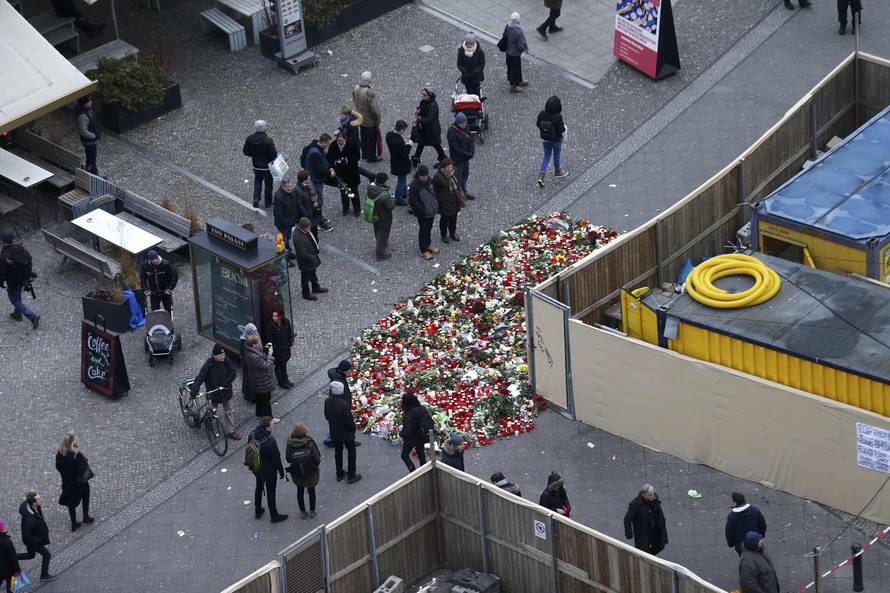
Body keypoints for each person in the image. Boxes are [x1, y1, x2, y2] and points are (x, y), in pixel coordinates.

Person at [191, 344, 240, 440]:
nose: (223, 356)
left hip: (225, 392)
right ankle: (208, 425)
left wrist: (225, 384)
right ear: (214, 355)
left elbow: (233, 372)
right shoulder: (209, 364)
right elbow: (200, 377)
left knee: (229, 411)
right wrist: (195, 388)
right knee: (211, 411)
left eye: (223, 354)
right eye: (221, 355)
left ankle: (231, 431)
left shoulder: (226, 361)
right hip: (213, 394)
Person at [249, 416, 288, 523]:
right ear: (267, 427)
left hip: (257, 468)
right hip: (269, 471)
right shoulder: (270, 441)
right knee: (271, 492)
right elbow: (276, 458)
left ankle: (258, 510)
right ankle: (274, 515)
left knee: (259, 487)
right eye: (272, 424)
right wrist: (281, 471)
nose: (274, 425)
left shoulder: (252, 434)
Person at [55, 433, 95, 532]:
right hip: (79, 482)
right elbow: (82, 465)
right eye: (76, 440)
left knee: (70, 502)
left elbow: (58, 467)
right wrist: (79, 454)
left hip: (67, 482)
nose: (77, 441)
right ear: (72, 443)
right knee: (86, 495)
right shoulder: (74, 454)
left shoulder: (60, 453)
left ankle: (74, 523)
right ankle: (85, 516)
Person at [324, 381, 362, 483]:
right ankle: (351, 475)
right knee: (351, 453)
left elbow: (327, 416)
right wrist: (353, 428)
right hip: (346, 434)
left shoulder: (327, 401)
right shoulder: (344, 405)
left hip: (335, 432)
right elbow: (349, 421)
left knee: (338, 452)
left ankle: (339, 473)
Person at [16, 491, 58, 582]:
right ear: (34, 503)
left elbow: (28, 501)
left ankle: (13, 557)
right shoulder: (30, 520)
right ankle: (44, 575)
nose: (41, 499)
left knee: (31, 555)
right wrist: (38, 540)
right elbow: (27, 535)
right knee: (47, 555)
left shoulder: (32, 506)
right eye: (39, 499)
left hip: (33, 540)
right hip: (34, 541)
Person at [0, 232, 39, 329]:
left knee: (14, 299)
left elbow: (2, 269)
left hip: (13, 280)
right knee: (17, 295)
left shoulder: (5, 253)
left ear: (2, 241)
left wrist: (1, 281)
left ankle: (32, 317)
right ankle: (17, 314)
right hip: (23, 278)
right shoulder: (19, 248)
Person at [327, 131, 370, 217]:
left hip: (352, 173)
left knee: (354, 191)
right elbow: (329, 158)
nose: (340, 142)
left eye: (341, 140)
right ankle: (345, 208)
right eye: (338, 140)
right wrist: (335, 163)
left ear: (345, 139)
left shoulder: (352, 144)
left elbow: (356, 157)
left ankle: (357, 209)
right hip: (341, 174)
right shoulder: (333, 145)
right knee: (344, 192)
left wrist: (347, 161)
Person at [285, 423, 321, 519]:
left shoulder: (290, 444)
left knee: (299, 490)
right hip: (310, 471)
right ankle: (312, 511)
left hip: (297, 472)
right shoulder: (309, 443)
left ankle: (303, 511)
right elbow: (317, 459)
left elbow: (288, 459)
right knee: (311, 490)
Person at [302, 134, 336, 233]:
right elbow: (320, 168)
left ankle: (320, 218)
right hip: (315, 180)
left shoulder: (317, 149)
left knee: (318, 201)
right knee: (318, 202)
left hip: (316, 179)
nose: (328, 146)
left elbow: (324, 162)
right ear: (323, 142)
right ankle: (319, 222)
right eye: (327, 144)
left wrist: (329, 168)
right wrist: (330, 172)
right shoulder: (315, 153)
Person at [623, 483, 668, 555]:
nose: (653, 496)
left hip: (655, 530)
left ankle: (649, 557)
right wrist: (629, 533)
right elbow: (627, 519)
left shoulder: (654, 497)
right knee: (643, 552)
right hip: (643, 532)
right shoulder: (635, 504)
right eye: (650, 495)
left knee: (660, 545)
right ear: (643, 495)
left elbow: (658, 510)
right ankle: (647, 560)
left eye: (653, 494)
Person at [242, 120, 278, 208]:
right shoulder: (268, 141)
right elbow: (274, 155)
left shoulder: (250, 138)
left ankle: (256, 199)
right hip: (267, 167)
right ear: (264, 128)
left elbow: (245, 151)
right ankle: (268, 202)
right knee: (268, 184)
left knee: (257, 182)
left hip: (256, 166)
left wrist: (254, 155)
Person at [408, 165, 440, 260]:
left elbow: (434, 192)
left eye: (426, 176)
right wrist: (422, 210)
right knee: (423, 230)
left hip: (431, 211)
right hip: (422, 213)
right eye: (423, 176)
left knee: (429, 228)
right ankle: (423, 250)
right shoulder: (414, 185)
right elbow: (413, 201)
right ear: (419, 175)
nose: (425, 178)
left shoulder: (429, 180)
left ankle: (428, 244)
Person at [536, 95, 568, 187]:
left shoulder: (542, 113)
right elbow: (561, 129)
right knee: (556, 155)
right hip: (556, 140)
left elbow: (538, 124)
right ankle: (558, 171)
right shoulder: (558, 117)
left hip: (545, 139)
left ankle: (541, 175)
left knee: (546, 156)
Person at [243, 334, 277, 420]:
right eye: (258, 342)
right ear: (254, 345)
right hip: (262, 381)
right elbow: (266, 366)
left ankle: (259, 413)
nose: (259, 343)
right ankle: (269, 419)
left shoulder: (250, 350)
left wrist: (265, 349)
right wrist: (270, 355)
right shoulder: (253, 357)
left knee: (260, 397)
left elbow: (260, 354)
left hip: (257, 380)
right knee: (266, 400)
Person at [293, 217, 328, 301]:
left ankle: (315, 287)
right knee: (305, 277)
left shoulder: (304, 231)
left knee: (312, 273)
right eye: (308, 227)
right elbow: (303, 253)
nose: (309, 228)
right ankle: (306, 293)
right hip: (306, 261)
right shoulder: (298, 238)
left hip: (311, 258)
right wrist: (313, 258)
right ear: (303, 227)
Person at [412, 88, 446, 168]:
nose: (422, 96)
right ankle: (416, 158)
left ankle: (444, 160)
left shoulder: (433, 106)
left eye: (424, 95)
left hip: (432, 130)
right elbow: (422, 109)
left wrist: (419, 119)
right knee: (421, 143)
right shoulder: (424, 102)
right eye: (422, 94)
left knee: (436, 145)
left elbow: (429, 119)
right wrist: (418, 111)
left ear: (429, 96)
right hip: (426, 129)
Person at [352, 71, 382, 162]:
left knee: (363, 136)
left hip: (360, 117)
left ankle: (364, 153)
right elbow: (374, 109)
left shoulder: (355, 88)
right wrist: (378, 120)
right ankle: (371, 157)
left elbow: (354, 101)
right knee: (371, 139)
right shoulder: (369, 92)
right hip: (370, 120)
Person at [399, 393, 433, 472]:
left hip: (411, 439)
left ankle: (413, 472)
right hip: (422, 437)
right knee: (421, 455)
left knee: (404, 455)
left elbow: (406, 432)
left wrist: (400, 434)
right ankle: (424, 471)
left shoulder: (409, 415)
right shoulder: (422, 408)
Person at [433, 159, 463, 244]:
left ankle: (452, 233)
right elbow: (435, 190)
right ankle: (444, 235)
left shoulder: (455, 171)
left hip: (454, 199)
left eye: (451, 166)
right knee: (445, 219)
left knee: (454, 217)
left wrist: (460, 193)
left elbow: (457, 184)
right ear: (443, 168)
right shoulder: (438, 177)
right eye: (448, 167)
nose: (450, 169)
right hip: (444, 201)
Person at [325, 360, 354, 447]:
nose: (349, 372)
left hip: (337, 407)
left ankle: (331, 438)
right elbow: (343, 396)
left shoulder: (336, 374)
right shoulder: (339, 380)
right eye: (348, 370)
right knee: (340, 425)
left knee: (335, 426)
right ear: (344, 370)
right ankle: (331, 440)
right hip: (340, 407)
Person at [447, 113, 475, 199]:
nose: (465, 125)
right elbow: (455, 148)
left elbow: (471, 139)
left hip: (465, 158)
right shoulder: (451, 132)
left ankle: (463, 191)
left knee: (465, 175)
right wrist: (468, 154)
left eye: (465, 122)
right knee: (458, 177)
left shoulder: (466, 127)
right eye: (463, 123)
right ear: (458, 123)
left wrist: (472, 151)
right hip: (458, 159)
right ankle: (460, 194)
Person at [368, 172, 395, 262]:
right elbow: (391, 206)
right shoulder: (385, 196)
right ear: (383, 182)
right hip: (384, 217)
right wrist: (391, 197)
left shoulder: (371, 187)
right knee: (383, 235)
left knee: (377, 229)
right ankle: (380, 255)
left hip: (374, 213)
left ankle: (379, 241)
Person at [263, 309, 294, 389]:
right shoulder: (270, 327)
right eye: (273, 316)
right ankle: (281, 381)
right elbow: (270, 341)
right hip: (278, 351)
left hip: (286, 349)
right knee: (279, 366)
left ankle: (285, 379)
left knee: (284, 365)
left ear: (281, 316)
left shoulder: (286, 322)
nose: (274, 318)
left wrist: (288, 345)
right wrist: (277, 349)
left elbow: (289, 334)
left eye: (276, 316)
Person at [385, 120, 413, 205]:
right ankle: (399, 198)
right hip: (402, 164)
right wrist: (409, 145)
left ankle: (404, 194)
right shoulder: (399, 142)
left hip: (395, 161)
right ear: (401, 129)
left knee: (402, 180)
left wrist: (403, 143)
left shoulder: (389, 135)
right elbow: (405, 153)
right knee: (401, 181)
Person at [273, 177, 298, 266]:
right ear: (283, 186)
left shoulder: (291, 193)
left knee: (288, 238)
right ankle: (285, 259)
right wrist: (287, 223)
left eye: (290, 186)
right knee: (284, 241)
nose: (290, 188)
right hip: (284, 224)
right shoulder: (279, 197)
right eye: (288, 187)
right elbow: (278, 213)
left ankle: (288, 253)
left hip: (290, 222)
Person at [503, 12, 529, 92]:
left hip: (508, 50)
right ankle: (514, 86)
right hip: (515, 53)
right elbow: (520, 45)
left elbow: (504, 35)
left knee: (511, 68)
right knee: (515, 69)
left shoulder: (508, 25)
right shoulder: (519, 31)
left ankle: (519, 81)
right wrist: (525, 49)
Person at [75, 97, 100, 175]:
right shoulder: (82, 116)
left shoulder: (88, 110)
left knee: (92, 157)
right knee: (91, 158)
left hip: (92, 140)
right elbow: (83, 131)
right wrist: (93, 136)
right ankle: (93, 174)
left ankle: (91, 171)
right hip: (89, 141)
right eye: (89, 101)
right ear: (84, 103)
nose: (91, 102)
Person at [457, 32, 486, 97]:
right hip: (466, 77)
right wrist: (464, 72)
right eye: (468, 43)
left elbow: (482, 63)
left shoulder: (479, 50)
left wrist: (476, 72)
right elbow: (459, 63)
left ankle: (478, 105)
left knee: (477, 93)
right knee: (469, 92)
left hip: (477, 76)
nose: (470, 45)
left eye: (471, 43)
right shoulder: (461, 50)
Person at [294, 171, 321, 237]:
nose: (309, 179)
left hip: (313, 211)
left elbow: (314, 193)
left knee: (315, 233)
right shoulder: (298, 190)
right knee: (309, 234)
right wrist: (308, 215)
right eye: (308, 178)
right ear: (303, 180)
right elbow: (300, 206)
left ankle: (316, 244)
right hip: (307, 215)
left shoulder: (309, 184)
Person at [239, 323, 259, 403]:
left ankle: (246, 393)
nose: (255, 332)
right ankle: (249, 396)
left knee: (247, 379)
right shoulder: (243, 341)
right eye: (254, 331)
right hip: (247, 363)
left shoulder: (247, 338)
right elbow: (243, 354)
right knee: (249, 380)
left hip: (247, 362)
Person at [0, 521, 21, 593]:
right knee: (11, 586)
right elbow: (13, 557)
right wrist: (17, 569)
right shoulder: (6, 541)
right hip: (8, 569)